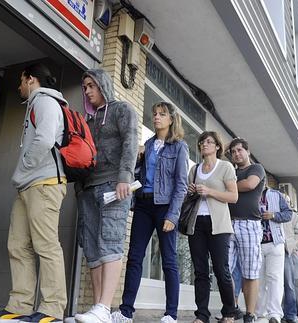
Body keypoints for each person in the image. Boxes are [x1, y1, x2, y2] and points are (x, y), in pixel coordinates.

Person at [0, 63, 68, 323]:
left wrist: (23, 168)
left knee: (46, 246)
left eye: (21, 81)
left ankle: (52, 309)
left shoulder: (45, 101)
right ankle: (19, 305)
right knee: (18, 245)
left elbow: (44, 139)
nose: (19, 87)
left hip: (44, 183)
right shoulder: (35, 103)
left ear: (31, 80)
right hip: (29, 185)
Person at [111, 102, 188, 323]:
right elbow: (138, 175)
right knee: (135, 257)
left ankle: (171, 314)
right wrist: (138, 156)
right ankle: (126, 311)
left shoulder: (179, 147)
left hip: (165, 206)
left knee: (169, 260)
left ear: (171, 120)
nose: (156, 118)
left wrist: (173, 216)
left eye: (162, 114)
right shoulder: (148, 144)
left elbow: (181, 184)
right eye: (155, 114)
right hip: (144, 205)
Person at [74, 68, 138, 323]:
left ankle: (103, 306)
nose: (88, 91)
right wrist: (79, 188)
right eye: (85, 87)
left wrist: (125, 177)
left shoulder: (122, 110)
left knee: (109, 243)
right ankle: (98, 310)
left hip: (114, 184)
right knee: (92, 248)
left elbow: (131, 141)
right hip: (88, 189)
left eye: (92, 85)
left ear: (103, 85)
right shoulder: (87, 121)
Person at [181, 131, 238, 323]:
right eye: (202, 142)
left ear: (217, 147)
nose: (204, 145)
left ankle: (229, 312)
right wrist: (191, 192)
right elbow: (189, 198)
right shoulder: (194, 170)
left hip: (219, 225)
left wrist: (210, 191)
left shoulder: (225, 167)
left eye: (209, 142)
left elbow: (233, 196)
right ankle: (202, 315)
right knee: (200, 271)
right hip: (196, 223)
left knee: (221, 270)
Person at [226, 137, 266, 323]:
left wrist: (229, 186)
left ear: (248, 152)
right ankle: (232, 310)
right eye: (233, 152)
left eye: (240, 150)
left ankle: (250, 314)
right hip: (228, 224)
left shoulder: (256, 168)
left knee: (250, 272)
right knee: (225, 269)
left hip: (249, 224)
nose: (236, 154)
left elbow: (250, 184)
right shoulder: (231, 171)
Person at [254, 187, 292, 323]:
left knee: (275, 278)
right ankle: (260, 314)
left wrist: (274, 215)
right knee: (259, 280)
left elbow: (288, 214)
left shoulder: (276, 195)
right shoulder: (249, 194)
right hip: (256, 243)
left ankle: (275, 314)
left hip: (275, 243)